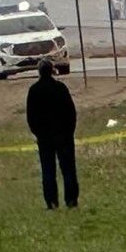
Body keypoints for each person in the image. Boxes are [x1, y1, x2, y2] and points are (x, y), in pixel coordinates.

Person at [26, 59, 79, 210]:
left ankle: (51, 202)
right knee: (68, 169)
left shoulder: (34, 90)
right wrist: (69, 131)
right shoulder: (60, 88)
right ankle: (71, 200)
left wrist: (38, 134)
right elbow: (71, 112)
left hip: (45, 138)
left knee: (48, 170)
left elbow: (31, 117)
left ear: (39, 72)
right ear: (52, 70)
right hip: (64, 135)